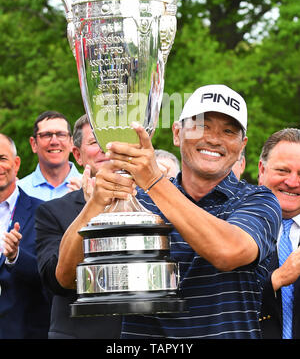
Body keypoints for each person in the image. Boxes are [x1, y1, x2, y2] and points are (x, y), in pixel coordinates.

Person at [55, 84, 281, 339]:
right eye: (202, 126)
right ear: (177, 133)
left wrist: (153, 181)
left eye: (229, 131)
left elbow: (227, 252)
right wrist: (96, 203)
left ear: (242, 146)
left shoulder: (258, 200)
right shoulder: (138, 202)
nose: (214, 139)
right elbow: (66, 277)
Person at [35, 114, 122, 339]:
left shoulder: (151, 203)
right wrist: (93, 209)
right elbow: (56, 282)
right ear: (78, 155)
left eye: (112, 140)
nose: (105, 148)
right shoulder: (52, 212)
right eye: (95, 142)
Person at [0, 133, 50, 339]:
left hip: (25, 330)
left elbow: (51, 274)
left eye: (2, 158)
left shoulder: (44, 212)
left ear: (16, 163)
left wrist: (16, 257)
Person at [258, 128, 300, 339]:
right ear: (261, 170)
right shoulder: (233, 224)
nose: (292, 182)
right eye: (283, 171)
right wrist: (277, 278)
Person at [18, 110, 82, 200]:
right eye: (46, 135)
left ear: (71, 142)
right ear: (34, 144)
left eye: (61, 134)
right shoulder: (18, 192)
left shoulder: (91, 189)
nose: (54, 142)